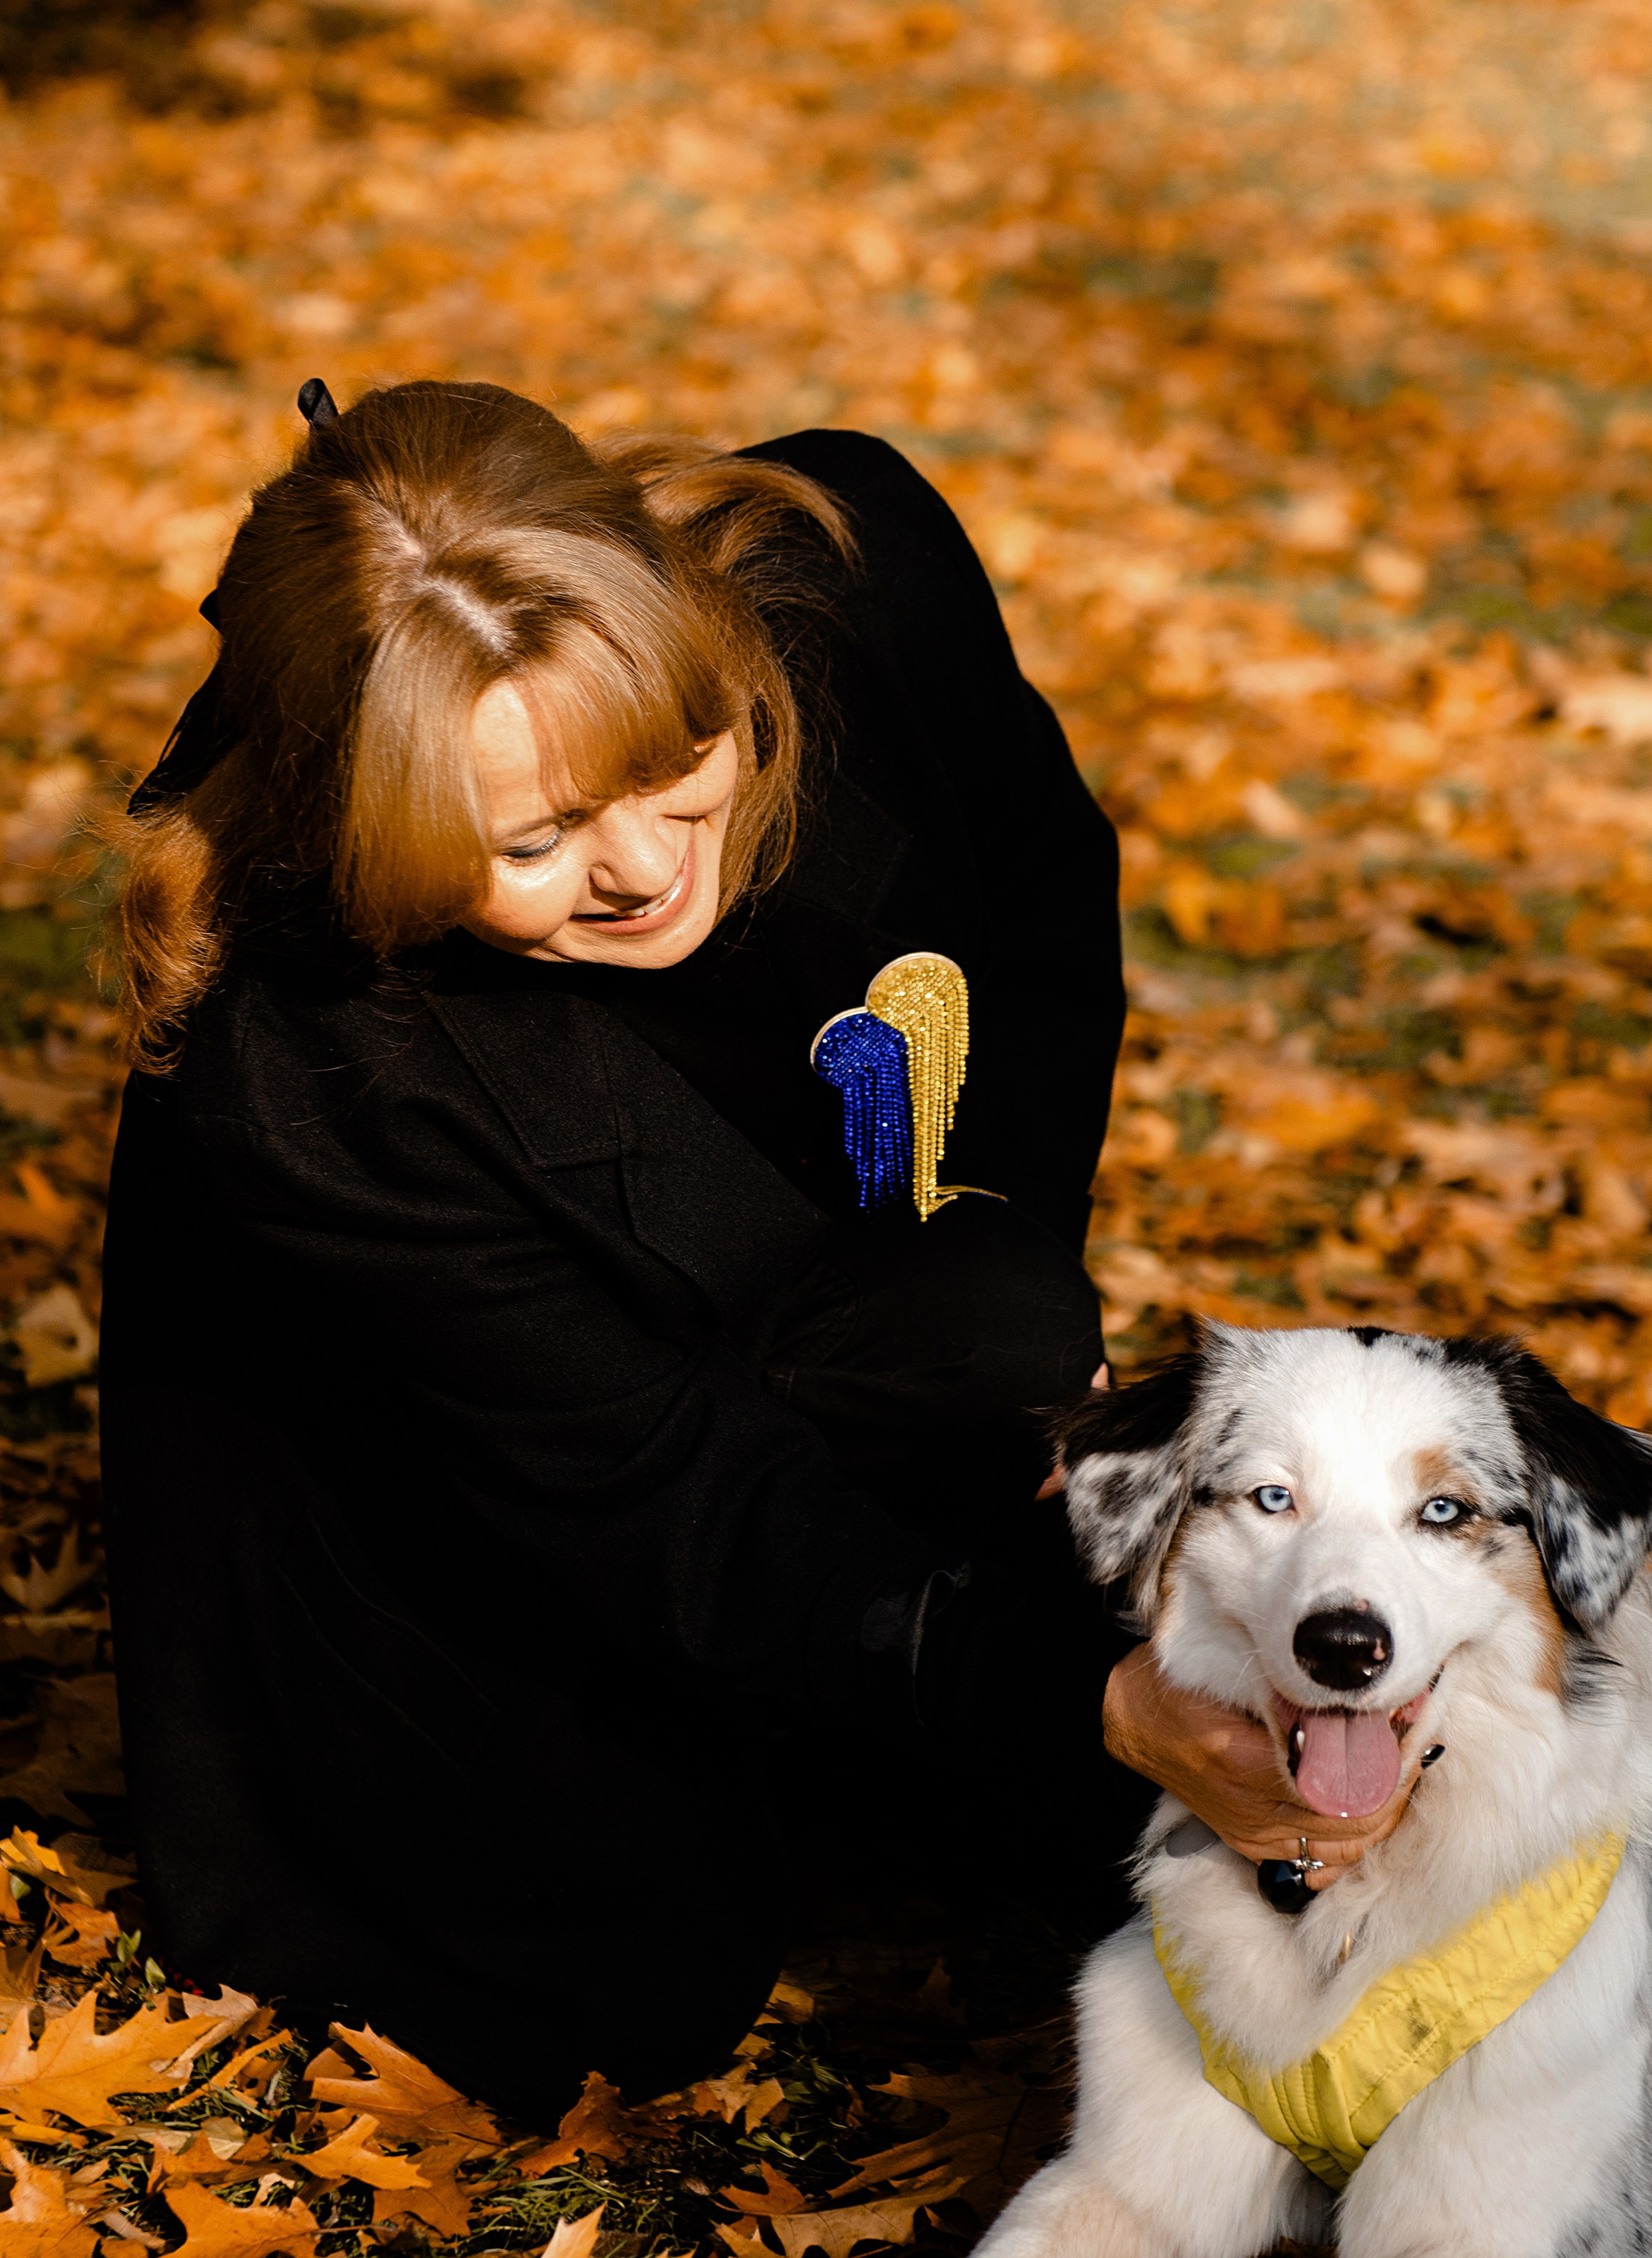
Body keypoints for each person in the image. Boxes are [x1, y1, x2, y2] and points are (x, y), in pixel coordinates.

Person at [101, 379, 1409, 2123]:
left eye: (666, 765)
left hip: (796, 1276)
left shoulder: (849, 566)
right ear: (393, 834)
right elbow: (657, 1489)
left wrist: (1000, 1264)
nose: (643, 865)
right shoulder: (310, 1057)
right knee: (607, 1971)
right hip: (463, 1479)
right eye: (534, 839)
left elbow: (1034, 900)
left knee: (1009, 1405)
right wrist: (1081, 1697)